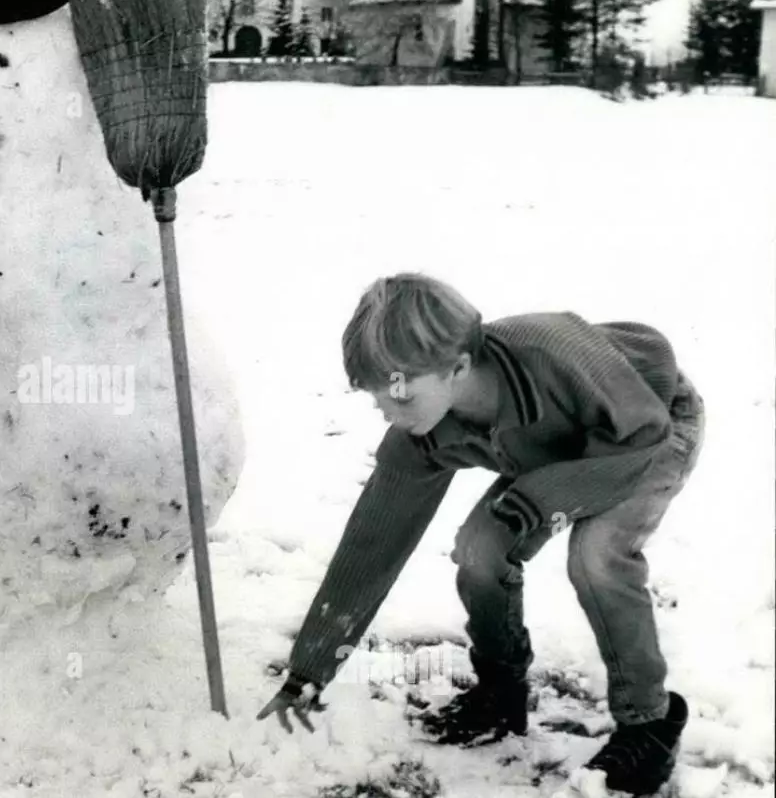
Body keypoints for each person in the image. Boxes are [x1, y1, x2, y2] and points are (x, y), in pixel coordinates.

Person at [257, 273, 704, 798]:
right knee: (479, 549)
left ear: (460, 368)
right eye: (378, 396)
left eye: (400, 393)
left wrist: (540, 499)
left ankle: (650, 724)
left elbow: (642, 435)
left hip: (648, 429)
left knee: (597, 556)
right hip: (551, 450)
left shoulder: (555, 349)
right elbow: (372, 546)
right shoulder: (419, 434)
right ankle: (500, 693)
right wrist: (308, 669)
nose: (386, 409)